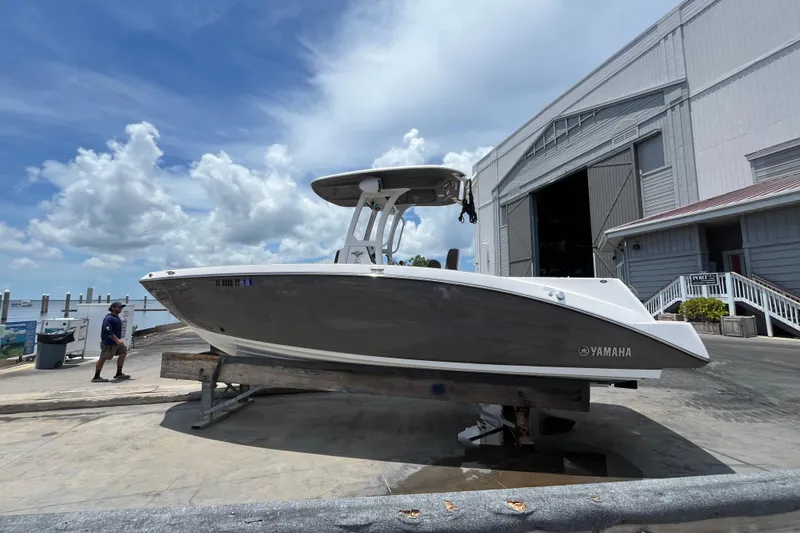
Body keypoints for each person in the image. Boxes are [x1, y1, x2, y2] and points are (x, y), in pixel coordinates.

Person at [92, 301, 131, 382]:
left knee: (123, 353)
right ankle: (96, 376)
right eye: (119, 307)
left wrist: (118, 340)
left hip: (117, 342)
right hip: (108, 343)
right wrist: (116, 340)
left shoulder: (117, 317)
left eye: (121, 307)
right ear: (113, 308)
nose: (120, 309)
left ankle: (119, 373)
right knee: (103, 358)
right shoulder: (109, 318)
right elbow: (108, 331)